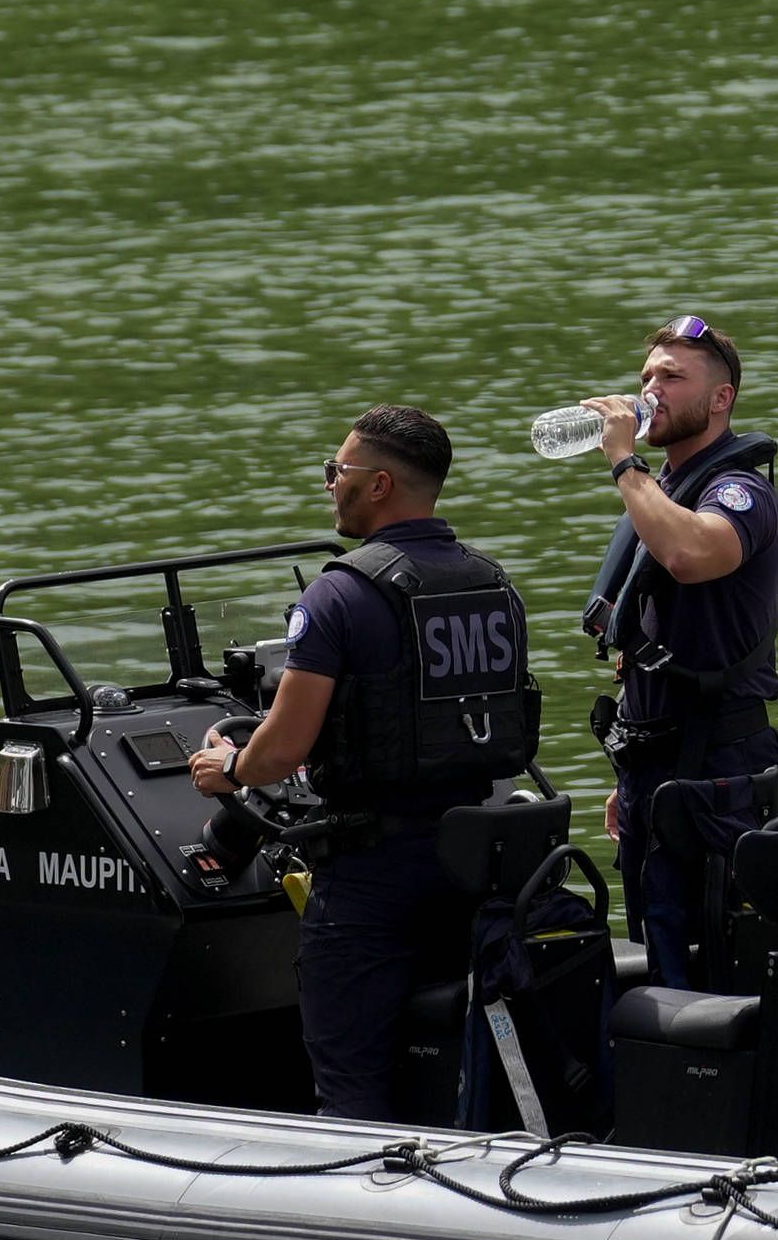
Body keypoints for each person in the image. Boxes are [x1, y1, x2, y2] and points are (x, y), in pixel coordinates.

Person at [191, 405, 536, 1119]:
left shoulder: (340, 595)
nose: (329, 485)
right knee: (446, 1064)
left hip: (372, 878)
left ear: (378, 484)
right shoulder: (493, 585)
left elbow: (282, 748)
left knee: (350, 1086)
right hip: (476, 865)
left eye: (336, 472)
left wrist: (229, 768)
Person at [578, 315, 778, 988]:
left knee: (719, 962)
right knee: (663, 951)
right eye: (646, 376)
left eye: (672, 377)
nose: (651, 390)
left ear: (720, 399)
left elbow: (692, 552)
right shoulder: (660, 492)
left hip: (720, 773)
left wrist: (622, 461)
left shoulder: (739, 493)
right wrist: (629, 773)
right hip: (656, 772)